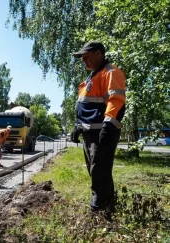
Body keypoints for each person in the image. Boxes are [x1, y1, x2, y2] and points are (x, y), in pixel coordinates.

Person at [71, 41, 126, 217]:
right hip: (90, 134)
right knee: (97, 171)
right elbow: (86, 107)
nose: (83, 61)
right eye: (81, 58)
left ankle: (98, 213)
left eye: (86, 56)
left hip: (101, 133)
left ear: (98, 53)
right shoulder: (92, 77)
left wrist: (108, 126)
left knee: (99, 172)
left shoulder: (110, 73)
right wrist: (77, 127)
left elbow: (115, 100)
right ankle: (108, 207)